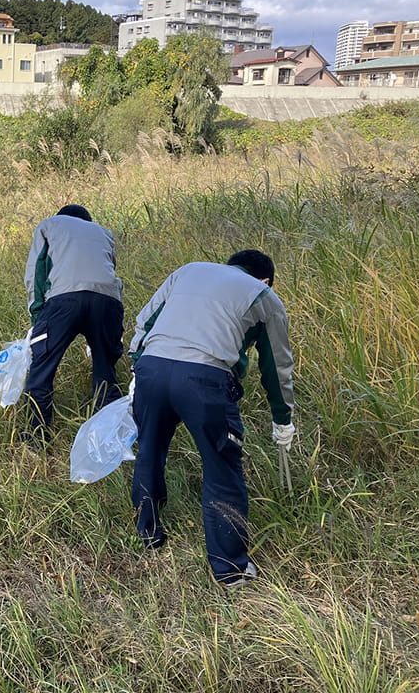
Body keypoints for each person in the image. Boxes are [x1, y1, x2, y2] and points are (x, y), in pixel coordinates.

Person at [127, 249, 295, 586]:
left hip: (152, 368)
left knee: (149, 449)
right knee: (222, 470)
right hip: (205, 379)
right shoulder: (265, 296)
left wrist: (137, 366)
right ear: (265, 279)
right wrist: (283, 418)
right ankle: (230, 570)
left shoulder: (188, 269)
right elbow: (275, 367)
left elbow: (146, 321)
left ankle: (148, 534)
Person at [22, 204, 125, 446]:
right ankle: (106, 442)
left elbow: (36, 272)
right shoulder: (104, 232)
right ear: (88, 220)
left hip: (64, 301)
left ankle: (36, 442)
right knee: (106, 372)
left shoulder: (49, 224)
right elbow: (109, 269)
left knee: (42, 371)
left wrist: (38, 319)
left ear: (62, 217)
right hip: (108, 302)